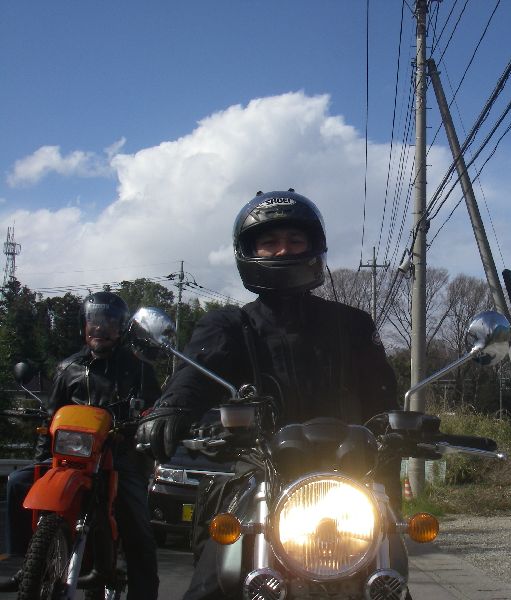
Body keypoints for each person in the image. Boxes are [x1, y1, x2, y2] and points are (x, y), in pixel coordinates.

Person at [136, 189, 399, 600]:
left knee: (389, 580)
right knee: (212, 581)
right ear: (249, 251)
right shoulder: (228, 325)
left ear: (314, 248)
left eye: (295, 240)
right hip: (254, 473)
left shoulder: (352, 325)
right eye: (270, 242)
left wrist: (402, 431)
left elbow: (382, 395)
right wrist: (171, 408)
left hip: (345, 478)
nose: (283, 250)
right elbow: (194, 375)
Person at [0, 292, 161, 598]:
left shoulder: (139, 369)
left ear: (121, 328)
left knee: (138, 529)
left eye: (109, 321)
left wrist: (144, 423)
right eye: (93, 320)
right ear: (83, 325)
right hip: (70, 457)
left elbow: (155, 411)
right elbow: (50, 419)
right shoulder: (68, 368)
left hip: (117, 456)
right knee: (18, 482)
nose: (100, 327)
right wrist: (40, 460)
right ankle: (26, 562)